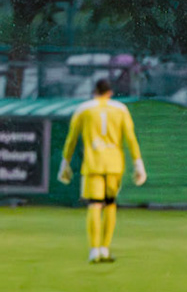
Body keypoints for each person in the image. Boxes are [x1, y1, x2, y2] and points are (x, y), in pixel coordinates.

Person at [59, 78, 147, 263]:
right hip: (114, 164)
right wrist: (138, 163)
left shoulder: (84, 109)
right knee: (110, 204)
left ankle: (94, 250)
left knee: (94, 204)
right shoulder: (120, 109)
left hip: (93, 163)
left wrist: (65, 163)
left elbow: (71, 138)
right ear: (110, 92)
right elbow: (130, 138)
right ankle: (105, 249)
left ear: (94, 92)